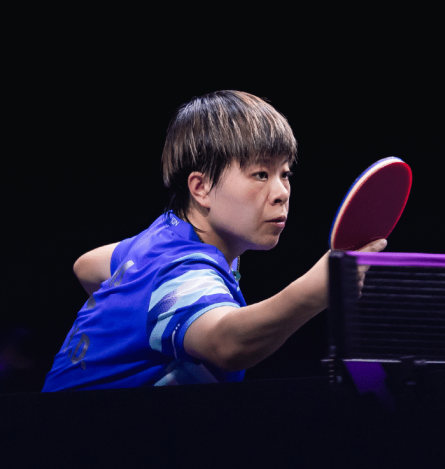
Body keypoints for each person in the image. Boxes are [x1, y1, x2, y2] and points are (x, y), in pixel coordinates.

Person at [43, 90, 385, 391]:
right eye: (260, 174)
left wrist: (124, 320)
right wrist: (315, 292)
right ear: (201, 188)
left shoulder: (161, 239)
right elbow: (228, 345)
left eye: (285, 174)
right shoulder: (181, 269)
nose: (281, 192)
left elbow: (86, 265)